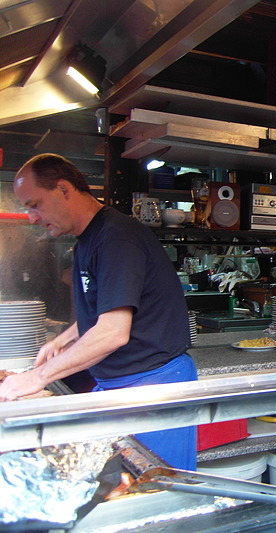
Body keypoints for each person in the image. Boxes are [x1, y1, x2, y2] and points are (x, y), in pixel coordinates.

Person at [0, 153, 197, 470]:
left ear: (64, 189)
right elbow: (104, 308)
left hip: (155, 385)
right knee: (123, 486)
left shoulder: (117, 238)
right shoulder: (86, 242)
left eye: (34, 204)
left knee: (160, 493)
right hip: (120, 385)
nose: (32, 217)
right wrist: (62, 340)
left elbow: (113, 332)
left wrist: (37, 377)